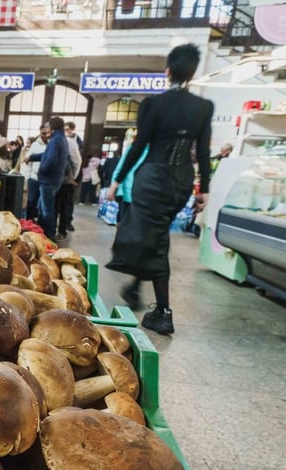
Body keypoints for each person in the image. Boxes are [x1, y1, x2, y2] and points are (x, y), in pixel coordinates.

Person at [106, 43, 214, 335]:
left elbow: (140, 145)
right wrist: (203, 188)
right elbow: (202, 151)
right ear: (192, 73)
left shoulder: (153, 105)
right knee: (154, 235)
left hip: (151, 179)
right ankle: (135, 288)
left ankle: (164, 312)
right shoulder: (204, 107)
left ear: (168, 71)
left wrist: (117, 180)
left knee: (156, 243)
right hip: (180, 181)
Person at [25, 116, 70, 239]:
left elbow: (49, 159)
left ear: (52, 127)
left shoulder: (55, 141)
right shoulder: (62, 139)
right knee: (43, 208)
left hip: (48, 180)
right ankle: (43, 232)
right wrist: (32, 157)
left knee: (46, 210)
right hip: (55, 179)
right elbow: (47, 154)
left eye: (48, 127)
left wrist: (41, 172)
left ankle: (48, 236)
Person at [55, 121, 82, 239]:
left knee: (65, 206)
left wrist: (72, 177)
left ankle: (62, 230)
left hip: (66, 180)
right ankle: (57, 230)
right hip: (58, 179)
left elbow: (77, 160)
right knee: (56, 206)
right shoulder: (57, 141)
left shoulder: (71, 142)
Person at [24, 124, 50, 222]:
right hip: (34, 179)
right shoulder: (35, 145)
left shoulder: (52, 144)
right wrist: (27, 179)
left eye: (47, 133)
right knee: (31, 203)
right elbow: (27, 162)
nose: (45, 136)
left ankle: (41, 226)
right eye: (43, 133)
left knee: (44, 206)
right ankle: (29, 224)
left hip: (47, 181)